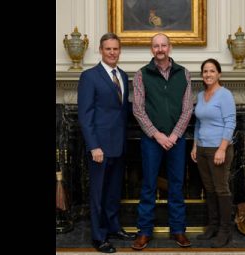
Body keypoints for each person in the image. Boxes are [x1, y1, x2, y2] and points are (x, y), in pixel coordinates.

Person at [131, 33, 193, 250]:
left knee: (176, 185)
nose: (160, 49)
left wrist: (174, 135)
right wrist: (157, 135)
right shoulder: (141, 75)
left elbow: (188, 109)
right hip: (151, 140)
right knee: (148, 185)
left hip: (177, 140)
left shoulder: (183, 73)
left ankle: (178, 230)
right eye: (156, 46)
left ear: (170, 47)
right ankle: (144, 232)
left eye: (163, 45)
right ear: (151, 49)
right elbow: (138, 110)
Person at [78, 32, 136, 253]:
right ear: (101, 50)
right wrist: (94, 146)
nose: (112, 52)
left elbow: (122, 109)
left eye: (115, 49)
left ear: (120, 51)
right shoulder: (89, 76)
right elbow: (85, 115)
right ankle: (99, 236)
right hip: (100, 148)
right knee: (99, 194)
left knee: (113, 192)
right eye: (108, 49)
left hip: (119, 145)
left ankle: (113, 227)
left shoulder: (122, 75)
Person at [190, 58, 236, 247]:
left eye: (212, 71)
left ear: (219, 74)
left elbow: (230, 122)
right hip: (201, 149)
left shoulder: (225, 95)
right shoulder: (201, 95)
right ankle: (213, 226)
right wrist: (195, 146)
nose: (208, 74)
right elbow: (198, 123)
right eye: (205, 71)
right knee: (209, 189)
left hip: (219, 149)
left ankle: (225, 231)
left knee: (221, 189)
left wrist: (222, 148)